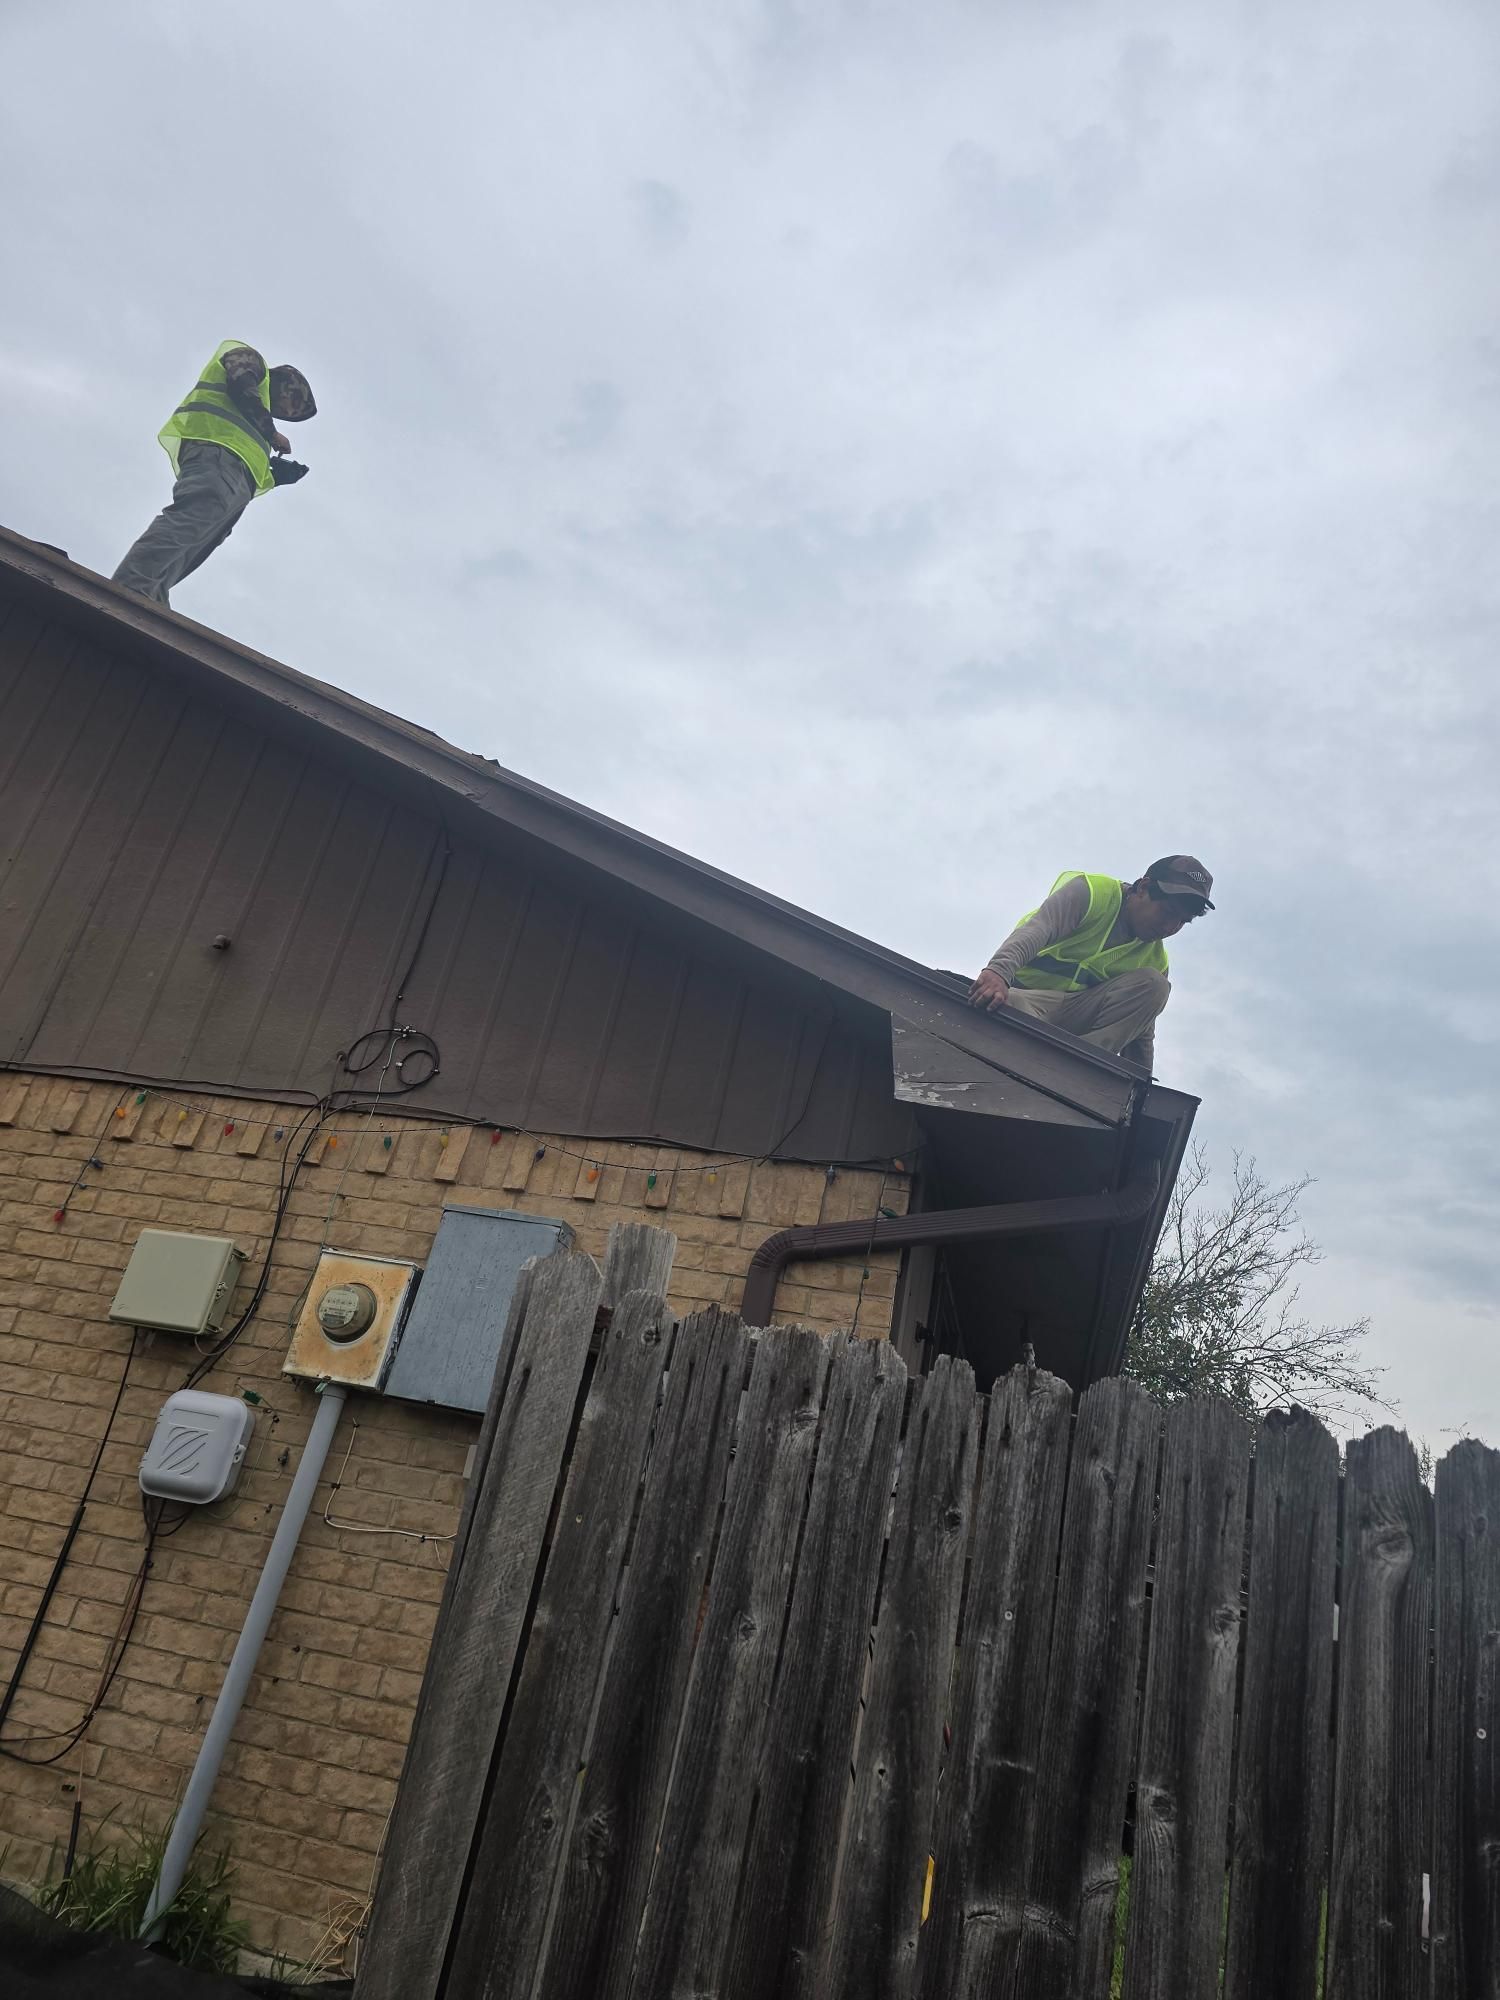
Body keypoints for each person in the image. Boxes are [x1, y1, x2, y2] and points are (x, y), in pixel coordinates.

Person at [112, 341, 316, 606]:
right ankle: (131, 585)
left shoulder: (260, 409)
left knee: (201, 539)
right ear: (287, 383)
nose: (285, 411)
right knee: (194, 517)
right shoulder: (252, 363)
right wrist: (271, 431)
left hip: (232, 472)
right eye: (291, 402)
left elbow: (244, 452)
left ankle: (151, 595)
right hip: (216, 453)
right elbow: (240, 383)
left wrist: (275, 476)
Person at [967, 856, 1214, 1070]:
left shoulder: (1156, 962)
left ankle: (1084, 1068)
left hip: (1077, 1030)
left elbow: (1141, 1033)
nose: (1170, 927)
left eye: (1183, 922)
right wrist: (997, 972)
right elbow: (1039, 929)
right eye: (1168, 913)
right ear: (1143, 888)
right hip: (1028, 1003)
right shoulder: (1092, 894)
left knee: (1155, 986)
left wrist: (1141, 1089)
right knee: (1008, 1005)